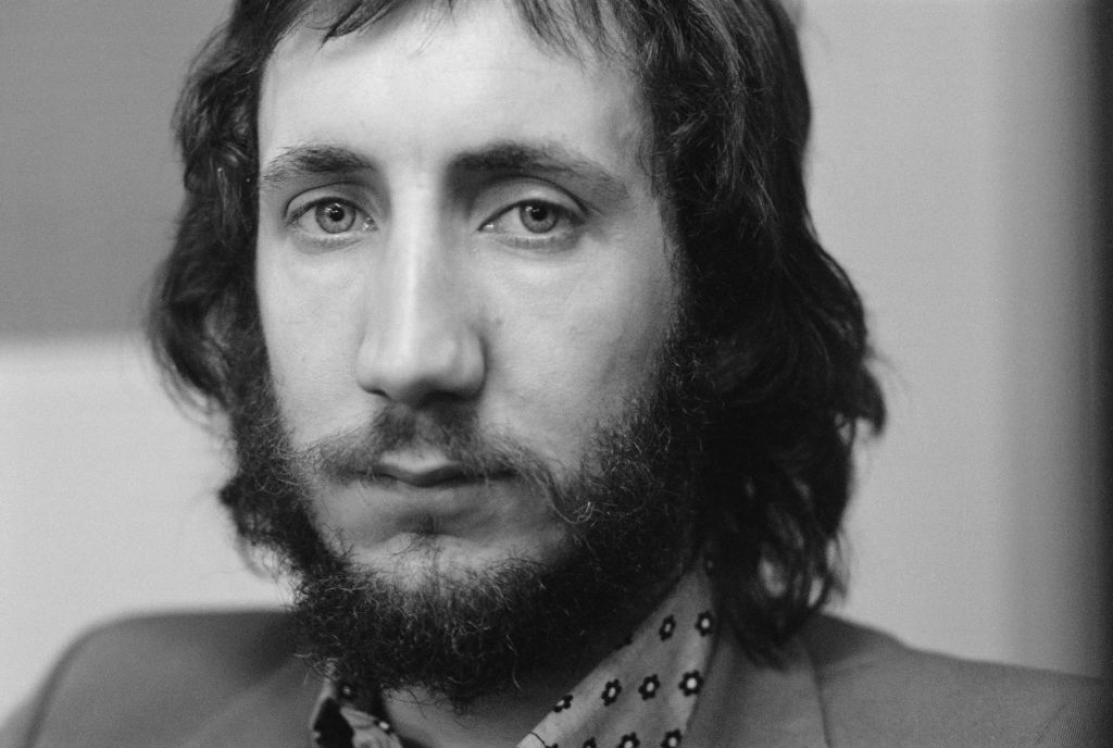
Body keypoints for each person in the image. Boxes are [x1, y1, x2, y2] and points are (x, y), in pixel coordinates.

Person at [2, 0, 1107, 745]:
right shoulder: (95, 712)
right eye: (331, 213)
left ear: (719, 296)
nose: (410, 355)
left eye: (534, 214)